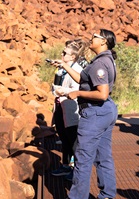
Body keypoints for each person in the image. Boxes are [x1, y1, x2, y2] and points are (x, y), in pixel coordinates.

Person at [54, 29, 118, 199]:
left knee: (83, 158)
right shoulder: (104, 59)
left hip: (95, 112)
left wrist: (78, 94)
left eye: (95, 37)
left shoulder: (99, 64)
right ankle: (107, 194)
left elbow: (102, 93)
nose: (91, 38)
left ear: (104, 41)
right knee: (103, 156)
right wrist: (64, 65)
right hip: (105, 110)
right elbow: (82, 79)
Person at [50, 42, 85, 179]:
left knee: (73, 140)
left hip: (71, 109)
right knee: (64, 137)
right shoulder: (62, 69)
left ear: (72, 57)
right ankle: (65, 165)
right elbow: (56, 86)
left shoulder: (76, 70)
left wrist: (62, 91)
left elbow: (78, 89)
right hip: (61, 107)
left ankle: (77, 171)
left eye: (64, 53)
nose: (61, 54)